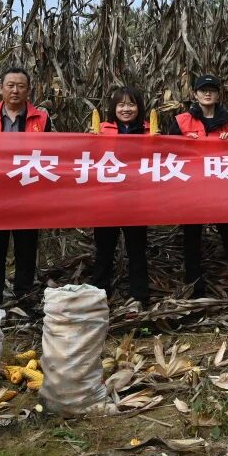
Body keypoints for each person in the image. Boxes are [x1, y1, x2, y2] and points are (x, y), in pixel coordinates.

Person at [0, 66, 51, 306]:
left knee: (26, 248)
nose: (15, 90)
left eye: (21, 86)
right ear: (0, 88)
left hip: (28, 192)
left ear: (28, 90)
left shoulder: (42, 118)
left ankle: (24, 297)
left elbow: (52, 151)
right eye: (10, 85)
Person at [172, 75, 228, 296]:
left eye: (212, 90)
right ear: (195, 94)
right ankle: (195, 288)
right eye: (203, 90)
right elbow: (169, 153)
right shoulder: (181, 121)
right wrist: (184, 146)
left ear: (218, 94)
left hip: (222, 189)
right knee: (192, 238)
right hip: (192, 188)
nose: (207, 93)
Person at [90, 86, 152, 305]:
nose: (126, 109)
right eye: (121, 104)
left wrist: (159, 142)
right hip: (107, 200)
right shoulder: (101, 130)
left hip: (137, 199)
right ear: (113, 108)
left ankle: (139, 295)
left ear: (139, 107)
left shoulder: (149, 131)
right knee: (104, 250)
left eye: (131, 104)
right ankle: (100, 294)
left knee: (137, 249)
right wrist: (88, 141)